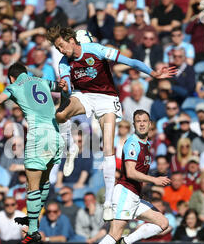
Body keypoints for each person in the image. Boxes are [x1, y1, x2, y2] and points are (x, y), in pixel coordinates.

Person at [46, 26, 176, 222]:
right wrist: (64, 88)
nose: (61, 51)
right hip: (84, 96)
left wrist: (153, 74)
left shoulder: (96, 50)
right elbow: (68, 89)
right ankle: (71, 148)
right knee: (60, 114)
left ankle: (108, 203)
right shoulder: (64, 63)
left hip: (107, 98)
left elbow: (130, 61)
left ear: (71, 39)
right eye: (57, 49)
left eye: (62, 46)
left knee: (108, 149)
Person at [0, 62, 65, 244]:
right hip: (56, 135)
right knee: (45, 181)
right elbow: (61, 86)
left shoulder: (14, 86)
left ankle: (32, 229)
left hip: (38, 135)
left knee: (31, 185)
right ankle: (34, 220)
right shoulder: (41, 81)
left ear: (11, 77)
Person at [81, 110, 172, 244]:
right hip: (124, 193)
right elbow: (130, 172)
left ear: (150, 124)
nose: (142, 124)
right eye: (139, 121)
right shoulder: (132, 143)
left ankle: (126, 242)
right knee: (114, 233)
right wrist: (155, 180)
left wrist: (141, 191)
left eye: (145, 121)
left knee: (163, 223)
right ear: (134, 124)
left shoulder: (146, 144)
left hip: (134, 196)